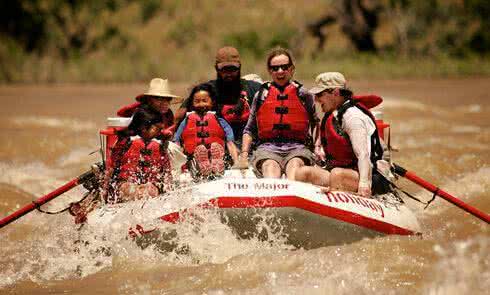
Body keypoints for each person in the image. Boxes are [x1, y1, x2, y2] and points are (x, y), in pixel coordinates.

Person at [294, 72, 388, 198]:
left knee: (337, 175)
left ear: (336, 93)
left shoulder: (353, 117)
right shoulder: (333, 114)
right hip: (342, 172)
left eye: (320, 94)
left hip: (371, 175)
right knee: (302, 173)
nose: (316, 99)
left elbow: (363, 155)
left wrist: (364, 184)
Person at [238, 48, 319, 179]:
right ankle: (272, 196)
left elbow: (315, 123)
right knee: (270, 168)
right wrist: (244, 154)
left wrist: (317, 147)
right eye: (275, 68)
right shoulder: (261, 95)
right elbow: (249, 129)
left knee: (294, 168)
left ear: (291, 69)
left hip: (297, 149)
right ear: (270, 71)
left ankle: (293, 193)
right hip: (267, 149)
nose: (280, 71)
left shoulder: (304, 94)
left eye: (284, 67)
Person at [175, 46, 262, 147]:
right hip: (218, 148)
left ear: (239, 67)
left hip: (250, 147)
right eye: (224, 69)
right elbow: (179, 116)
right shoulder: (206, 91)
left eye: (233, 69)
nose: (229, 73)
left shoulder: (254, 88)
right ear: (216, 68)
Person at [103, 108, 173, 203]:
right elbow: (112, 166)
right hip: (125, 184)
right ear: (143, 127)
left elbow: (166, 170)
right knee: (130, 189)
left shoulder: (160, 146)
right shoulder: (125, 143)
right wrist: (106, 191)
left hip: (151, 186)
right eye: (157, 128)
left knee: (149, 190)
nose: (160, 132)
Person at [174, 83, 239, 178]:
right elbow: (177, 143)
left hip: (216, 156)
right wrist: (178, 166)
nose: (201, 104)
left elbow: (230, 142)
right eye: (197, 101)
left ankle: (216, 163)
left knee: (216, 152)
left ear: (212, 102)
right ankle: (203, 164)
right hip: (192, 159)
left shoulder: (219, 120)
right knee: (197, 158)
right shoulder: (187, 120)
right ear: (192, 103)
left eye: (204, 101)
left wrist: (236, 162)